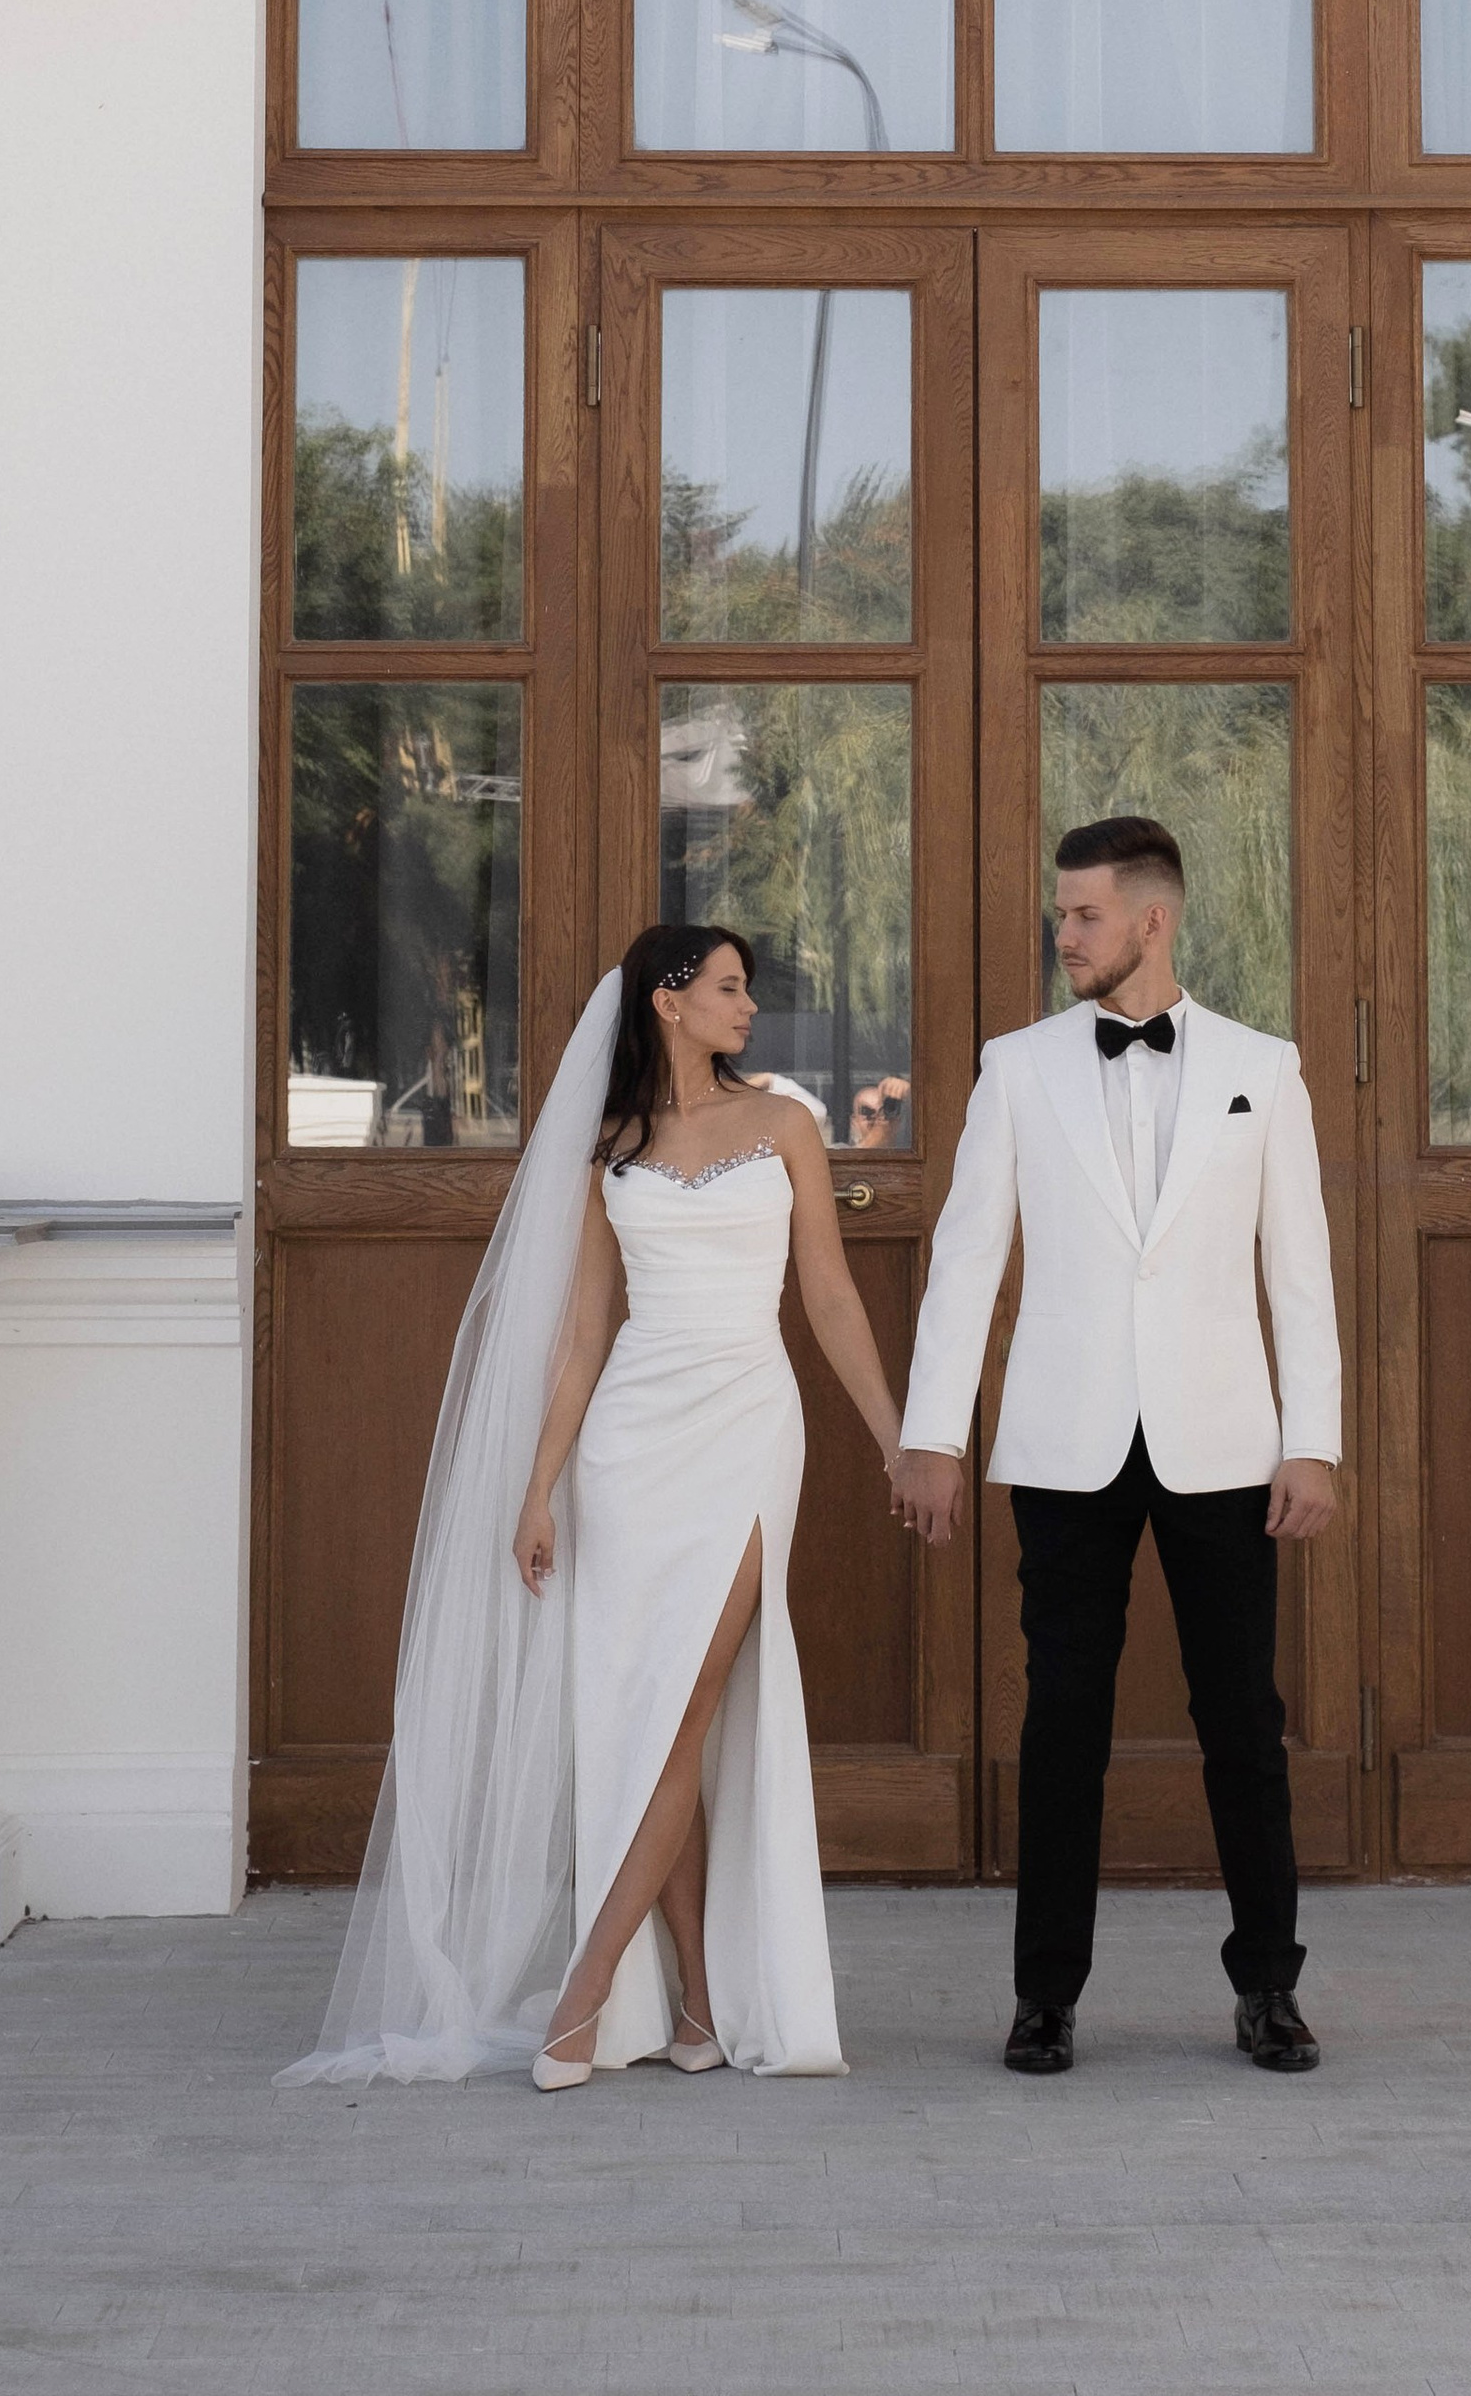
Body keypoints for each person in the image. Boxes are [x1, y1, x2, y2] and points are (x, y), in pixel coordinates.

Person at [281, 924, 903, 2092]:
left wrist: (892, 1438)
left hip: (747, 1425)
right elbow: (579, 1335)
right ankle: (702, 2015)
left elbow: (825, 1291)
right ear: (668, 1002)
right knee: (645, 1722)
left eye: (745, 991)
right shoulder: (610, 1149)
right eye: (727, 989)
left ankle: (586, 1992)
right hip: (627, 1447)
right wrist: (537, 1489)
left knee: (686, 1708)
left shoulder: (783, 1127)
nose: (746, 1008)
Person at [890, 816, 1342, 2078]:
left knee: (1243, 1724)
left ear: (1152, 918)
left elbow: (1297, 1271)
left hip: (1224, 1445)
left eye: (1082, 914)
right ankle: (1044, 1996)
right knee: (1062, 1725)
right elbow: (966, 1259)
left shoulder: (1268, 1065)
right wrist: (933, 1431)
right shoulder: (1016, 1066)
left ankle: (1269, 1989)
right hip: (1063, 1441)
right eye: (1060, 913)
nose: (1063, 934)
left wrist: (1315, 1443)